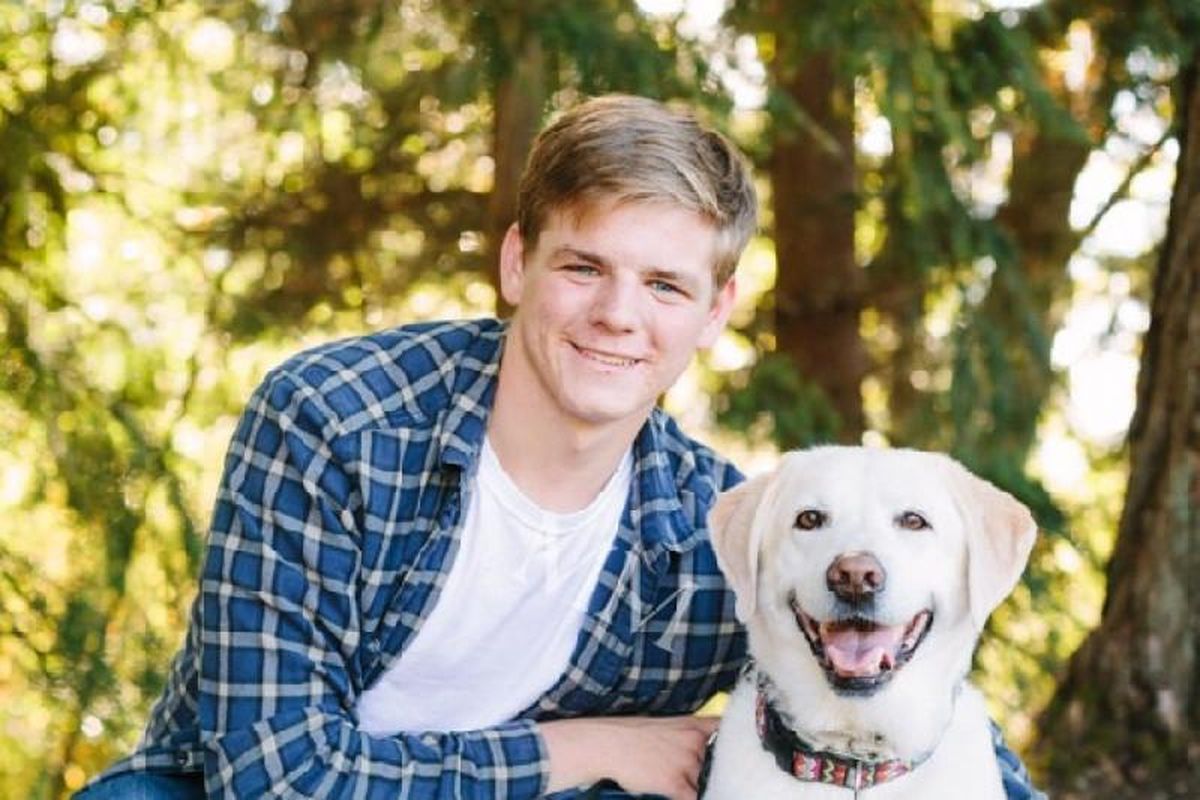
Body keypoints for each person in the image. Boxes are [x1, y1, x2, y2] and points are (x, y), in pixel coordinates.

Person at [78, 94, 1042, 800]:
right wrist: (581, 750)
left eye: (665, 286)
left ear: (715, 312)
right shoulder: (332, 421)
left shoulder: (714, 537)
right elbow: (271, 777)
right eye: (584, 267)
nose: (619, 316)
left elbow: (920, 702)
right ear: (515, 264)